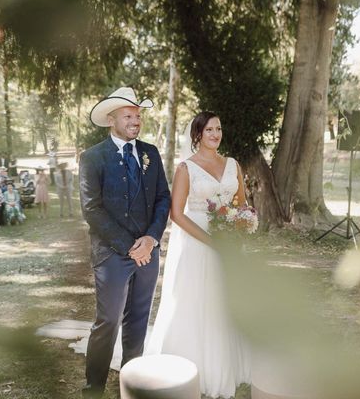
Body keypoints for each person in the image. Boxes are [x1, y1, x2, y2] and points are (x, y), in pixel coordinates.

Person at [145, 111, 250, 397]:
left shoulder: (233, 164)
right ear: (198, 135)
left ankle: (225, 364)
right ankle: (191, 367)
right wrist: (212, 241)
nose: (215, 134)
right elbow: (176, 214)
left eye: (218, 128)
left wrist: (240, 226)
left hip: (229, 240)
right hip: (195, 242)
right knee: (196, 302)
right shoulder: (186, 169)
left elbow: (241, 202)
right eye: (209, 130)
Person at [79, 86, 171, 398]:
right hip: (111, 254)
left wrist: (151, 239)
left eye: (138, 116)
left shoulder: (150, 153)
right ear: (111, 120)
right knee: (108, 321)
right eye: (129, 116)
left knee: (139, 320)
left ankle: (131, 385)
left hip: (148, 252)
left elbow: (163, 198)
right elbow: (91, 209)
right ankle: (93, 387)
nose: (136, 121)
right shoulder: (92, 158)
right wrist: (130, 245)